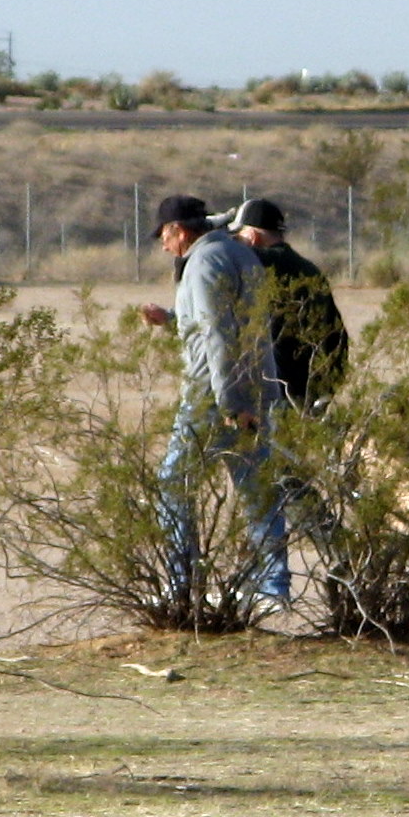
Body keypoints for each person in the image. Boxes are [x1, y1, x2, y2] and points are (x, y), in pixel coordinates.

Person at [141, 194, 290, 610]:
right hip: (255, 388)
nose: (163, 245)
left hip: (216, 395)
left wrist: (229, 403)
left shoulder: (204, 262)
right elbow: (222, 324)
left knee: (174, 482)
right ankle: (272, 586)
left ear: (179, 230)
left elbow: (219, 336)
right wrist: (171, 321)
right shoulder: (236, 253)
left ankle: (180, 583)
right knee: (257, 487)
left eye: (163, 236)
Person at [226, 198, 348, 413]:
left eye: (239, 236)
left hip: (275, 387)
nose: (236, 242)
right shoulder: (308, 268)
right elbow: (337, 335)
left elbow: (221, 257)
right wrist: (326, 389)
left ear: (252, 237)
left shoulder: (257, 261)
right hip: (310, 385)